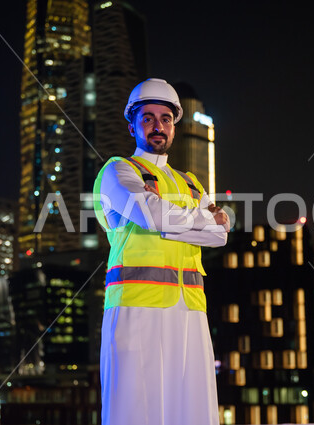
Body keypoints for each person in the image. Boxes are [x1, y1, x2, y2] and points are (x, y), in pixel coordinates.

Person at [93, 78, 229, 425]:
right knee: (135, 410)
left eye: (165, 118)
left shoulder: (190, 182)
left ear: (174, 126)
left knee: (193, 412)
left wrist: (172, 219)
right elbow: (150, 215)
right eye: (148, 117)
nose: (158, 125)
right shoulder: (118, 170)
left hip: (191, 308)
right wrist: (199, 219)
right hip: (137, 307)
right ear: (132, 125)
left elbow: (220, 234)